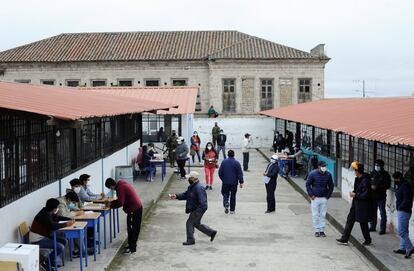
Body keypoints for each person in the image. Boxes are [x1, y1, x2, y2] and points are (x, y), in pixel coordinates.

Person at [169, 171, 217, 245]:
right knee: (196, 223)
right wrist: (176, 196)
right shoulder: (192, 187)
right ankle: (211, 232)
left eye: (189, 178)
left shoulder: (199, 188)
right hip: (196, 208)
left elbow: (203, 203)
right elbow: (186, 195)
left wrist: (197, 211)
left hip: (198, 209)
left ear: (194, 179)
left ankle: (190, 240)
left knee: (190, 223)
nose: (188, 179)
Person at [336, 162, 374, 246]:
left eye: (355, 171)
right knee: (350, 220)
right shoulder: (357, 179)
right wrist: (354, 192)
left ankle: (368, 239)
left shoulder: (366, 181)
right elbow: (356, 189)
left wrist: (356, 195)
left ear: (358, 171)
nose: (354, 172)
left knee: (363, 223)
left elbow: (366, 195)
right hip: (355, 204)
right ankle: (344, 238)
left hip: (363, 206)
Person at [30, 198, 74, 267]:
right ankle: (47, 261)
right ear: (53, 208)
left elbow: (57, 217)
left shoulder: (47, 211)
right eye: (57, 207)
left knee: (64, 241)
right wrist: (66, 224)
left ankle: (51, 261)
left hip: (44, 236)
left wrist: (69, 219)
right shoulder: (44, 215)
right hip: (37, 240)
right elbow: (52, 226)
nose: (57, 209)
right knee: (60, 247)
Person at [105, 178, 143, 254]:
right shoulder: (122, 185)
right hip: (136, 207)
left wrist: (110, 205)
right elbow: (121, 200)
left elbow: (120, 202)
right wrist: (111, 203)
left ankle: (132, 248)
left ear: (112, 186)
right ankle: (131, 244)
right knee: (131, 227)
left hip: (134, 209)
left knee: (132, 228)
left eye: (110, 188)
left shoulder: (120, 188)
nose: (111, 189)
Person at [306, 161, 334, 237]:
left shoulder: (328, 175)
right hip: (315, 198)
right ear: (319, 166)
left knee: (323, 215)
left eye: (325, 166)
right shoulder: (312, 174)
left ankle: (322, 230)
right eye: (323, 166)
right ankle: (316, 230)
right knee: (315, 215)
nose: (324, 167)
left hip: (323, 198)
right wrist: (311, 195)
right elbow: (308, 184)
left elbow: (331, 186)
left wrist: (327, 196)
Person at [392, 172, 414, 258]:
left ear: (399, 178)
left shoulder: (405, 186)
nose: (395, 181)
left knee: (402, 231)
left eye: (395, 179)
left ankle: (410, 248)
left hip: (404, 211)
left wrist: (400, 207)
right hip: (402, 210)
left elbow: (407, 199)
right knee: (404, 230)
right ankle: (403, 248)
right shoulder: (401, 185)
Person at [369, 159, 391, 234]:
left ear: (381, 166)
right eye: (375, 165)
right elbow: (369, 182)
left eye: (378, 165)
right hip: (373, 196)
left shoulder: (386, 175)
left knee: (382, 213)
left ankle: (382, 229)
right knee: (373, 212)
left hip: (381, 197)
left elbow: (388, 185)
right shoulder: (372, 173)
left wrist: (377, 187)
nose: (376, 166)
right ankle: (372, 226)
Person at [219, 150, 244, 214]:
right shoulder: (237, 163)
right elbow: (240, 173)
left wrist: (223, 179)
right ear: (234, 155)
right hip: (234, 183)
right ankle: (232, 210)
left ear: (227, 154)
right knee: (233, 195)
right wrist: (241, 182)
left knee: (224, 193)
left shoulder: (224, 162)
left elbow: (220, 172)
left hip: (225, 182)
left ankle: (226, 202)